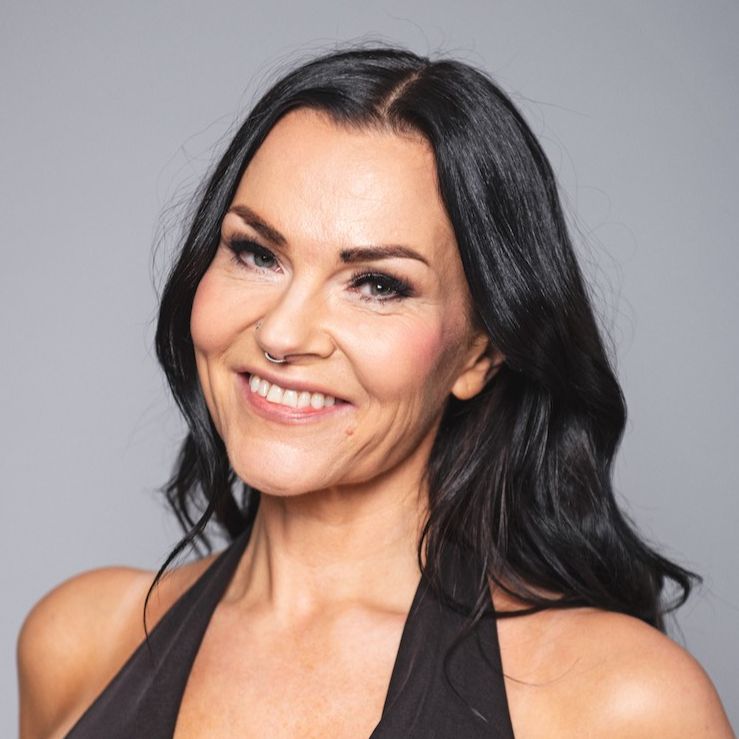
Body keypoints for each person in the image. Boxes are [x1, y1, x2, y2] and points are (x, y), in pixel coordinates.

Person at [17, 44, 733, 738]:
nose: (282, 333)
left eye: (377, 285)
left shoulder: (617, 703)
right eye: (256, 253)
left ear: (479, 353)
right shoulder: (82, 641)